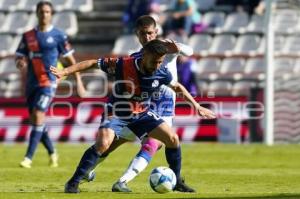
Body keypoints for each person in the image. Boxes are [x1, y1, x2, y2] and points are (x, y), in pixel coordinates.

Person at [50, 39, 216, 193]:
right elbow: (93, 63)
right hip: (116, 111)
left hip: (141, 113)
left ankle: (177, 179)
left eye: (160, 61)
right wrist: (65, 71)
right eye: (154, 61)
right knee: (103, 143)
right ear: (144, 56)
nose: (157, 65)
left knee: (172, 139)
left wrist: (196, 105)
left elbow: (177, 87)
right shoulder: (123, 64)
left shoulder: (162, 73)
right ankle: (73, 182)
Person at [111, 15, 196, 192]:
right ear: (137, 34)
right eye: (143, 34)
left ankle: (124, 180)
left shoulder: (166, 47)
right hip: (145, 107)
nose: (147, 38)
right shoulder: (136, 56)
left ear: (156, 32)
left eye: (150, 33)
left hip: (165, 108)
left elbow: (190, 51)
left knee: (156, 143)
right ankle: (88, 170)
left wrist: (178, 47)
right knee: (114, 142)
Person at [15, 1, 85, 168]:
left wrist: (79, 83)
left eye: (47, 12)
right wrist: (20, 62)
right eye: (41, 11)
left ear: (51, 14)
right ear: (37, 13)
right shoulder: (28, 36)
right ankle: (52, 152)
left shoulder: (59, 36)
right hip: (32, 83)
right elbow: (20, 56)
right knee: (36, 120)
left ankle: (28, 158)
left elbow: (70, 60)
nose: (44, 14)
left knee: (38, 115)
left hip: (49, 83)